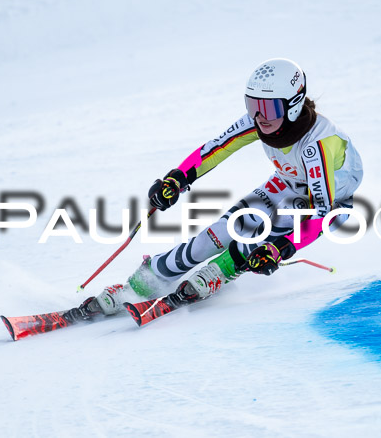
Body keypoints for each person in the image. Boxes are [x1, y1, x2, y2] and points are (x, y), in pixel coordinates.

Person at [65, 58, 363, 321]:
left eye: (268, 109)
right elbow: (216, 149)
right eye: (252, 106)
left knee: (258, 240)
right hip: (287, 182)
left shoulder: (318, 145)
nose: (259, 118)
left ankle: (220, 271)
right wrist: (177, 179)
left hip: (330, 203)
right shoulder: (263, 122)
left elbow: (321, 213)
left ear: (294, 104)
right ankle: (141, 284)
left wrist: (282, 247)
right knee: (218, 233)